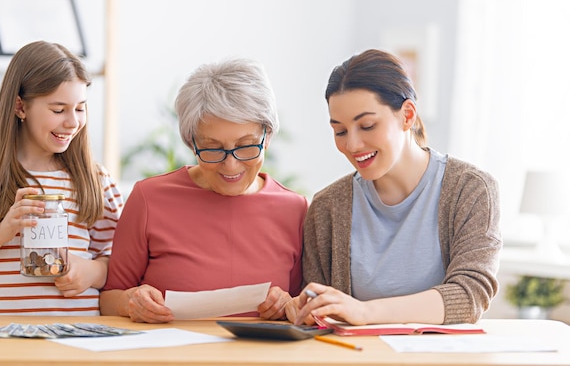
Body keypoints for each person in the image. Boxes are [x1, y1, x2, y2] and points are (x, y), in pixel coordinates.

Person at [285, 49, 502, 326]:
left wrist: (365, 313)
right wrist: (300, 308)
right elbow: (319, 307)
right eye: (340, 131)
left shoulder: (470, 189)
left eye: (367, 125)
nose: (352, 145)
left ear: (407, 115)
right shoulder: (328, 206)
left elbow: (471, 294)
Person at [100, 58, 307, 323]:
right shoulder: (149, 199)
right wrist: (130, 302)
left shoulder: (294, 209)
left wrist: (288, 303)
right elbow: (108, 299)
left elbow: (304, 303)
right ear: (191, 143)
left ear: (267, 137)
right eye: (213, 148)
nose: (230, 165)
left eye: (246, 146)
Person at [0, 41, 123, 315]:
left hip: (79, 340)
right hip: (2, 341)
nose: (73, 122)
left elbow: (122, 262)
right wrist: (3, 231)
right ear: (20, 107)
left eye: (80, 108)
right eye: (58, 109)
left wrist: (92, 272)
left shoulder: (95, 179)